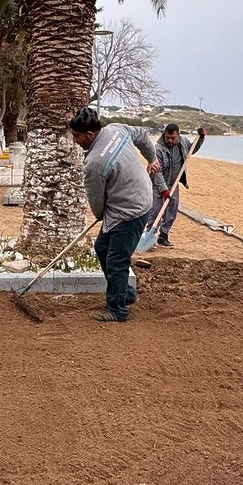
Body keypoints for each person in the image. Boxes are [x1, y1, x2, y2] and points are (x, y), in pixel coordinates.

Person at [68, 107, 162, 323]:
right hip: (138, 198)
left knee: (117, 260)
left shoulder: (94, 164)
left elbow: (96, 201)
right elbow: (143, 136)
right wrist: (152, 158)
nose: (74, 140)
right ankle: (125, 293)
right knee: (102, 247)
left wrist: (101, 215)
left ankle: (117, 310)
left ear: (90, 135)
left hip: (130, 210)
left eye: (77, 136)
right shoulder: (117, 129)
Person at [150, 123, 207, 247]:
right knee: (155, 211)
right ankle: (150, 236)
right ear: (164, 135)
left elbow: (192, 150)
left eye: (173, 138)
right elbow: (157, 172)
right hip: (158, 183)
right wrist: (163, 189)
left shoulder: (184, 142)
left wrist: (201, 138)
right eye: (168, 138)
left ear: (178, 135)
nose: (170, 140)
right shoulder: (157, 149)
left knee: (172, 210)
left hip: (173, 183)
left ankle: (163, 236)